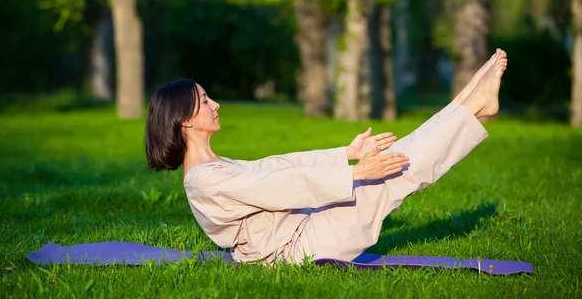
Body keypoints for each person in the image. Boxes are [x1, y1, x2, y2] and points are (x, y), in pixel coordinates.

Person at [144, 49, 508, 264]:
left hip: (303, 231)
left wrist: (346, 155)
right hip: (296, 250)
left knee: (392, 162)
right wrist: (354, 175)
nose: (216, 104)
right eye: (206, 101)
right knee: (391, 174)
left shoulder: (212, 167)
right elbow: (279, 185)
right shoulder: (204, 179)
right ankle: (471, 106)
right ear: (187, 121)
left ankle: (465, 104)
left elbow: (278, 166)